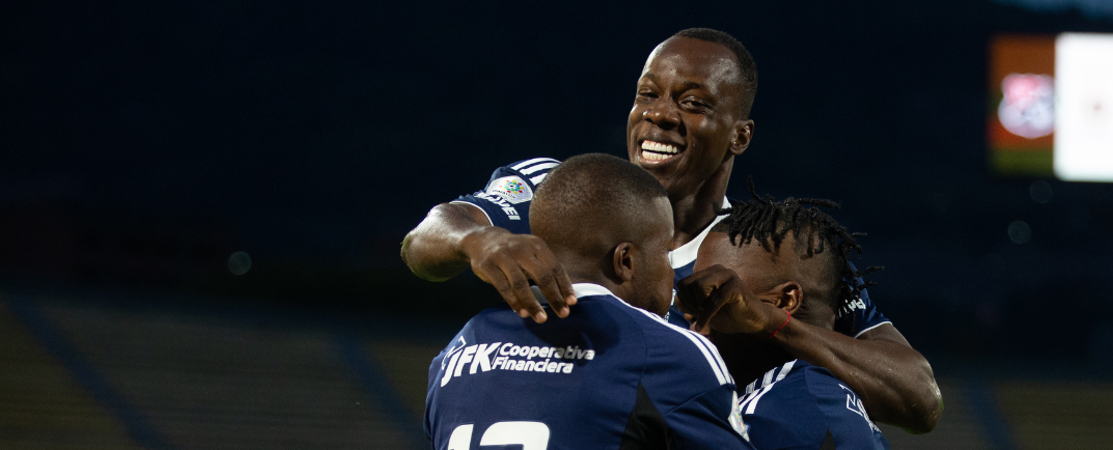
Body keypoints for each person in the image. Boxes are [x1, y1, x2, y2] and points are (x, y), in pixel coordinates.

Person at [402, 28, 942, 433]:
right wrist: (479, 239)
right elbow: (424, 241)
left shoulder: (774, 248)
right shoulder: (567, 193)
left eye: (693, 102)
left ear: (741, 135)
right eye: (648, 94)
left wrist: (773, 325)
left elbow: (919, 400)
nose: (658, 116)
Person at [424, 154, 752, 449]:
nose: (672, 271)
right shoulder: (668, 352)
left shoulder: (460, 346)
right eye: (665, 254)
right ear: (625, 261)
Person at [678, 186, 890, 450]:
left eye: (715, 294)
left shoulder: (784, 412)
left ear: (785, 301)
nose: (690, 314)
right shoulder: (818, 398)